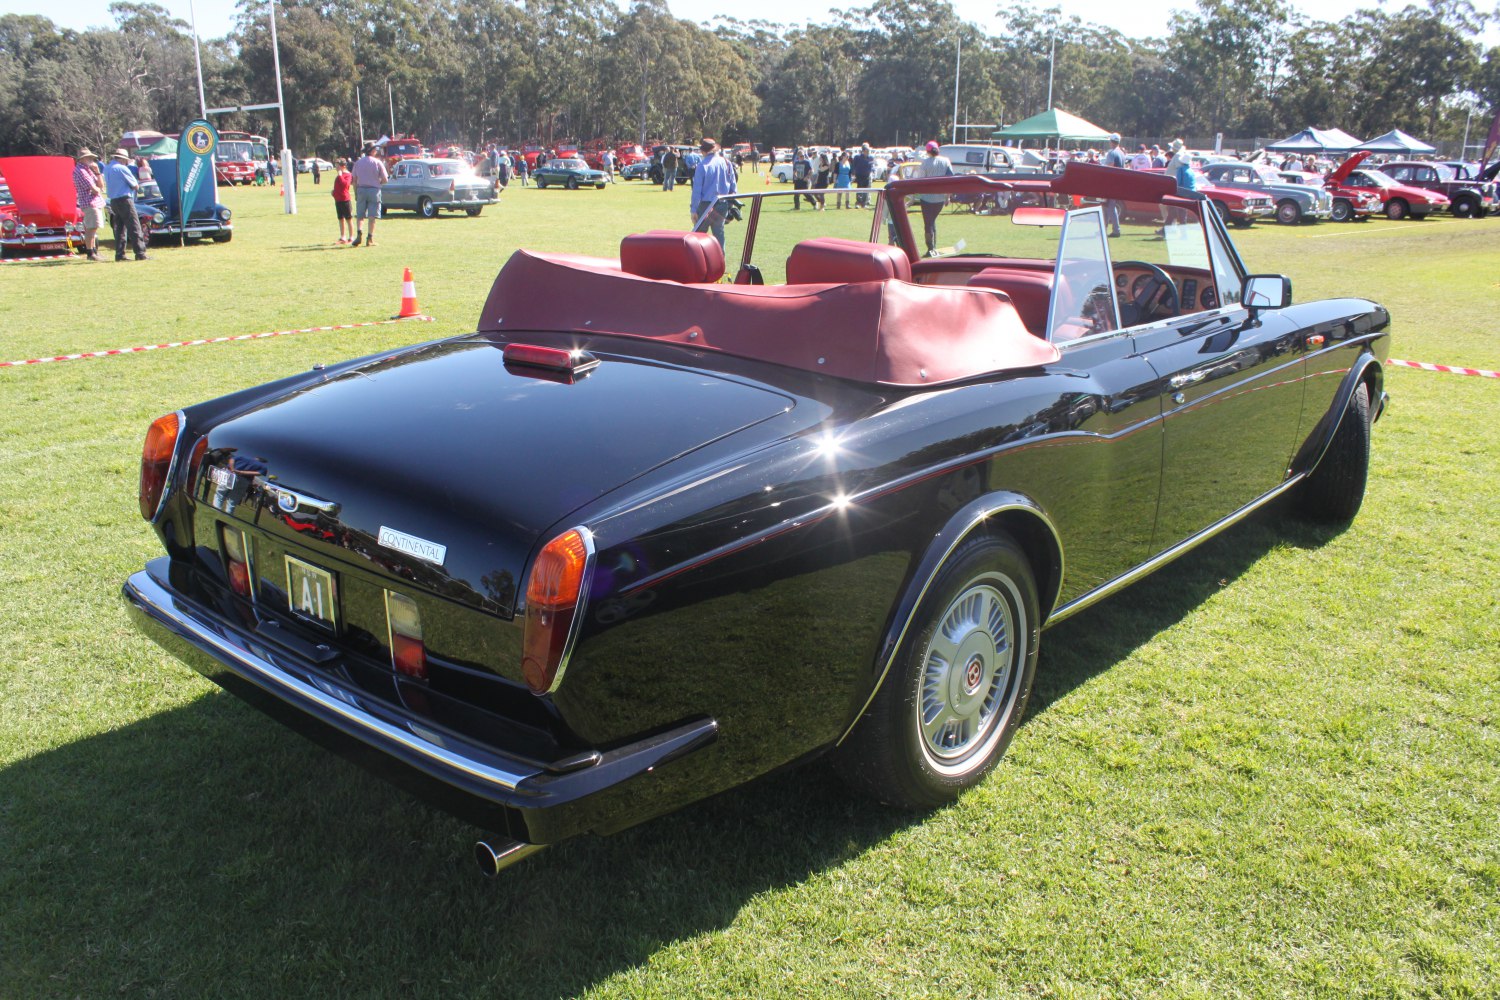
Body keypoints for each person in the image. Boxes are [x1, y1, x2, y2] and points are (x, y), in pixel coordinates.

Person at [689, 137, 737, 251]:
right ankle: (721, 262)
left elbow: (697, 191)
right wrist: (731, 204)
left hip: (706, 205)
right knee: (719, 234)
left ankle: (697, 262)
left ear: (703, 151)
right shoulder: (726, 162)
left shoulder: (702, 165)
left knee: (698, 236)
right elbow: (733, 186)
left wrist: (693, 210)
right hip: (722, 203)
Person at [102, 149, 149, 261]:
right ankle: (140, 253)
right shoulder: (122, 168)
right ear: (123, 159)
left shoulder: (107, 168)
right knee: (134, 226)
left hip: (113, 200)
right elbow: (135, 185)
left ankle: (120, 254)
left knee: (120, 229)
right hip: (125, 200)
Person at [915, 140, 954, 256]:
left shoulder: (925, 163)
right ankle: (934, 246)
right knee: (932, 222)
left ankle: (930, 248)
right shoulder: (946, 161)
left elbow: (920, 180)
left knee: (928, 223)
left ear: (927, 151)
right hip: (940, 198)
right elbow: (950, 180)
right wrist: (948, 196)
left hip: (927, 198)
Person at [349, 143, 389, 247]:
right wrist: (377, 183)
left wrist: (356, 193)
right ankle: (369, 238)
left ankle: (359, 233)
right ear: (372, 151)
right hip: (374, 190)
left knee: (360, 215)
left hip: (361, 189)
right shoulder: (377, 162)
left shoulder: (358, 163)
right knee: (372, 216)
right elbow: (385, 179)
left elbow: (354, 180)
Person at [72, 149, 106, 261]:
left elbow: (101, 185)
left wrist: (97, 171)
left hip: (94, 202)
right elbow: (95, 189)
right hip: (89, 203)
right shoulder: (80, 171)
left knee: (93, 228)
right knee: (91, 229)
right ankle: (90, 253)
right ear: (82, 159)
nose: (91, 160)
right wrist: (97, 189)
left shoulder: (88, 170)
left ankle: (94, 251)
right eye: (89, 158)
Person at [1102, 132, 1127, 237]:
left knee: (1110, 206)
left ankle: (1116, 230)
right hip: (1119, 182)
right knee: (1108, 205)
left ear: (1111, 141)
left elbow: (1110, 167)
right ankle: (1104, 228)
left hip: (1111, 183)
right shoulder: (1121, 153)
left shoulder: (1112, 153)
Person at [331, 157, 354, 243]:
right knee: (340, 218)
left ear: (343, 166)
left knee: (348, 219)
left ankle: (351, 237)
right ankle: (343, 237)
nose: (336, 168)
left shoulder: (347, 174)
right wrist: (334, 192)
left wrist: (340, 175)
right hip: (338, 199)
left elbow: (345, 185)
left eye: (338, 166)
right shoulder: (339, 174)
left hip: (345, 200)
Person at [851, 142, 874, 207]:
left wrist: (872, 172)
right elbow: (853, 166)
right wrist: (853, 174)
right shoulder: (857, 157)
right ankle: (858, 202)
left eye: (869, 151)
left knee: (866, 190)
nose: (868, 152)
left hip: (867, 176)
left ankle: (864, 203)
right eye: (867, 151)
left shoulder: (871, 158)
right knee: (859, 189)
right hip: (859, 176)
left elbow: (872, 166)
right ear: (863, 151)